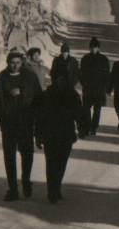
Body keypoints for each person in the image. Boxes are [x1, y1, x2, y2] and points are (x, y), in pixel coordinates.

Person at [0, 50, 43, 201]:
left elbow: (38, 98)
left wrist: (23, 93)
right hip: (9, 124)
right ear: (8, 63)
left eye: (18, 63)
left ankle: (26, 181)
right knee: (9, 156)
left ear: (22, 63)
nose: (15, 66)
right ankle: (12, 188)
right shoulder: (1, 79)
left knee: (27, 155)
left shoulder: (30, 77)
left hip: (26, 122)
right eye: (12, 63)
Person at [36, 74, 87, 203]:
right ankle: (52, 191)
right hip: (53, 134)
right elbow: (39, 117)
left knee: (59, 163)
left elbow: (79, 114)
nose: (60, 82)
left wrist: (82, 128)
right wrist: (38, 135)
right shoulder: (46, 95)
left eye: (62, 79)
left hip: (64, 134)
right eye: (58, 79)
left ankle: (55, 188)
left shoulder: (72, 95)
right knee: (54, 163)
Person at [79, 36, 110, 136]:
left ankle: (94, 127)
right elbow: (81, 73)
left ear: (98, 48)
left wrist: (106, 87)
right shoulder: (85, 58)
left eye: (95, 47)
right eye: (92, 47)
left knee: (97, 110)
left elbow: (107, 75)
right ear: (89, 48)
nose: (93, 49)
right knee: (86, 109)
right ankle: (88, 126)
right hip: (88, 88)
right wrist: (84, 83)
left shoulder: (104, 59)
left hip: (99, 89)